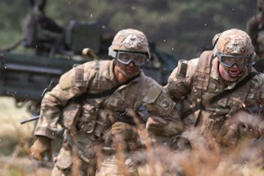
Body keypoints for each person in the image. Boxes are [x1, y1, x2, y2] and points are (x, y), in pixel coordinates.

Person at [29, 29, 183, 176]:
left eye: (138, 59)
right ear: (114, 56)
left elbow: (173, 124)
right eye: (125, 57)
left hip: (115, 154)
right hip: (76, 148)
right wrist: (43, 138)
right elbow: (53, 99)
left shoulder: (148, 89)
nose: (131, 64)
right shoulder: (89, 74)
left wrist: (136, 134)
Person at [165, 29, 264, 151]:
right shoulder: (193, 70)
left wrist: (252, 130)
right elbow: (165, 101)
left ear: (249, 60)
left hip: (225, 153)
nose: (234, 67)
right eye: (228, 60)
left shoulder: (256, 82)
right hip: (185, 146)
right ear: (218, 57)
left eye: (241, 60)